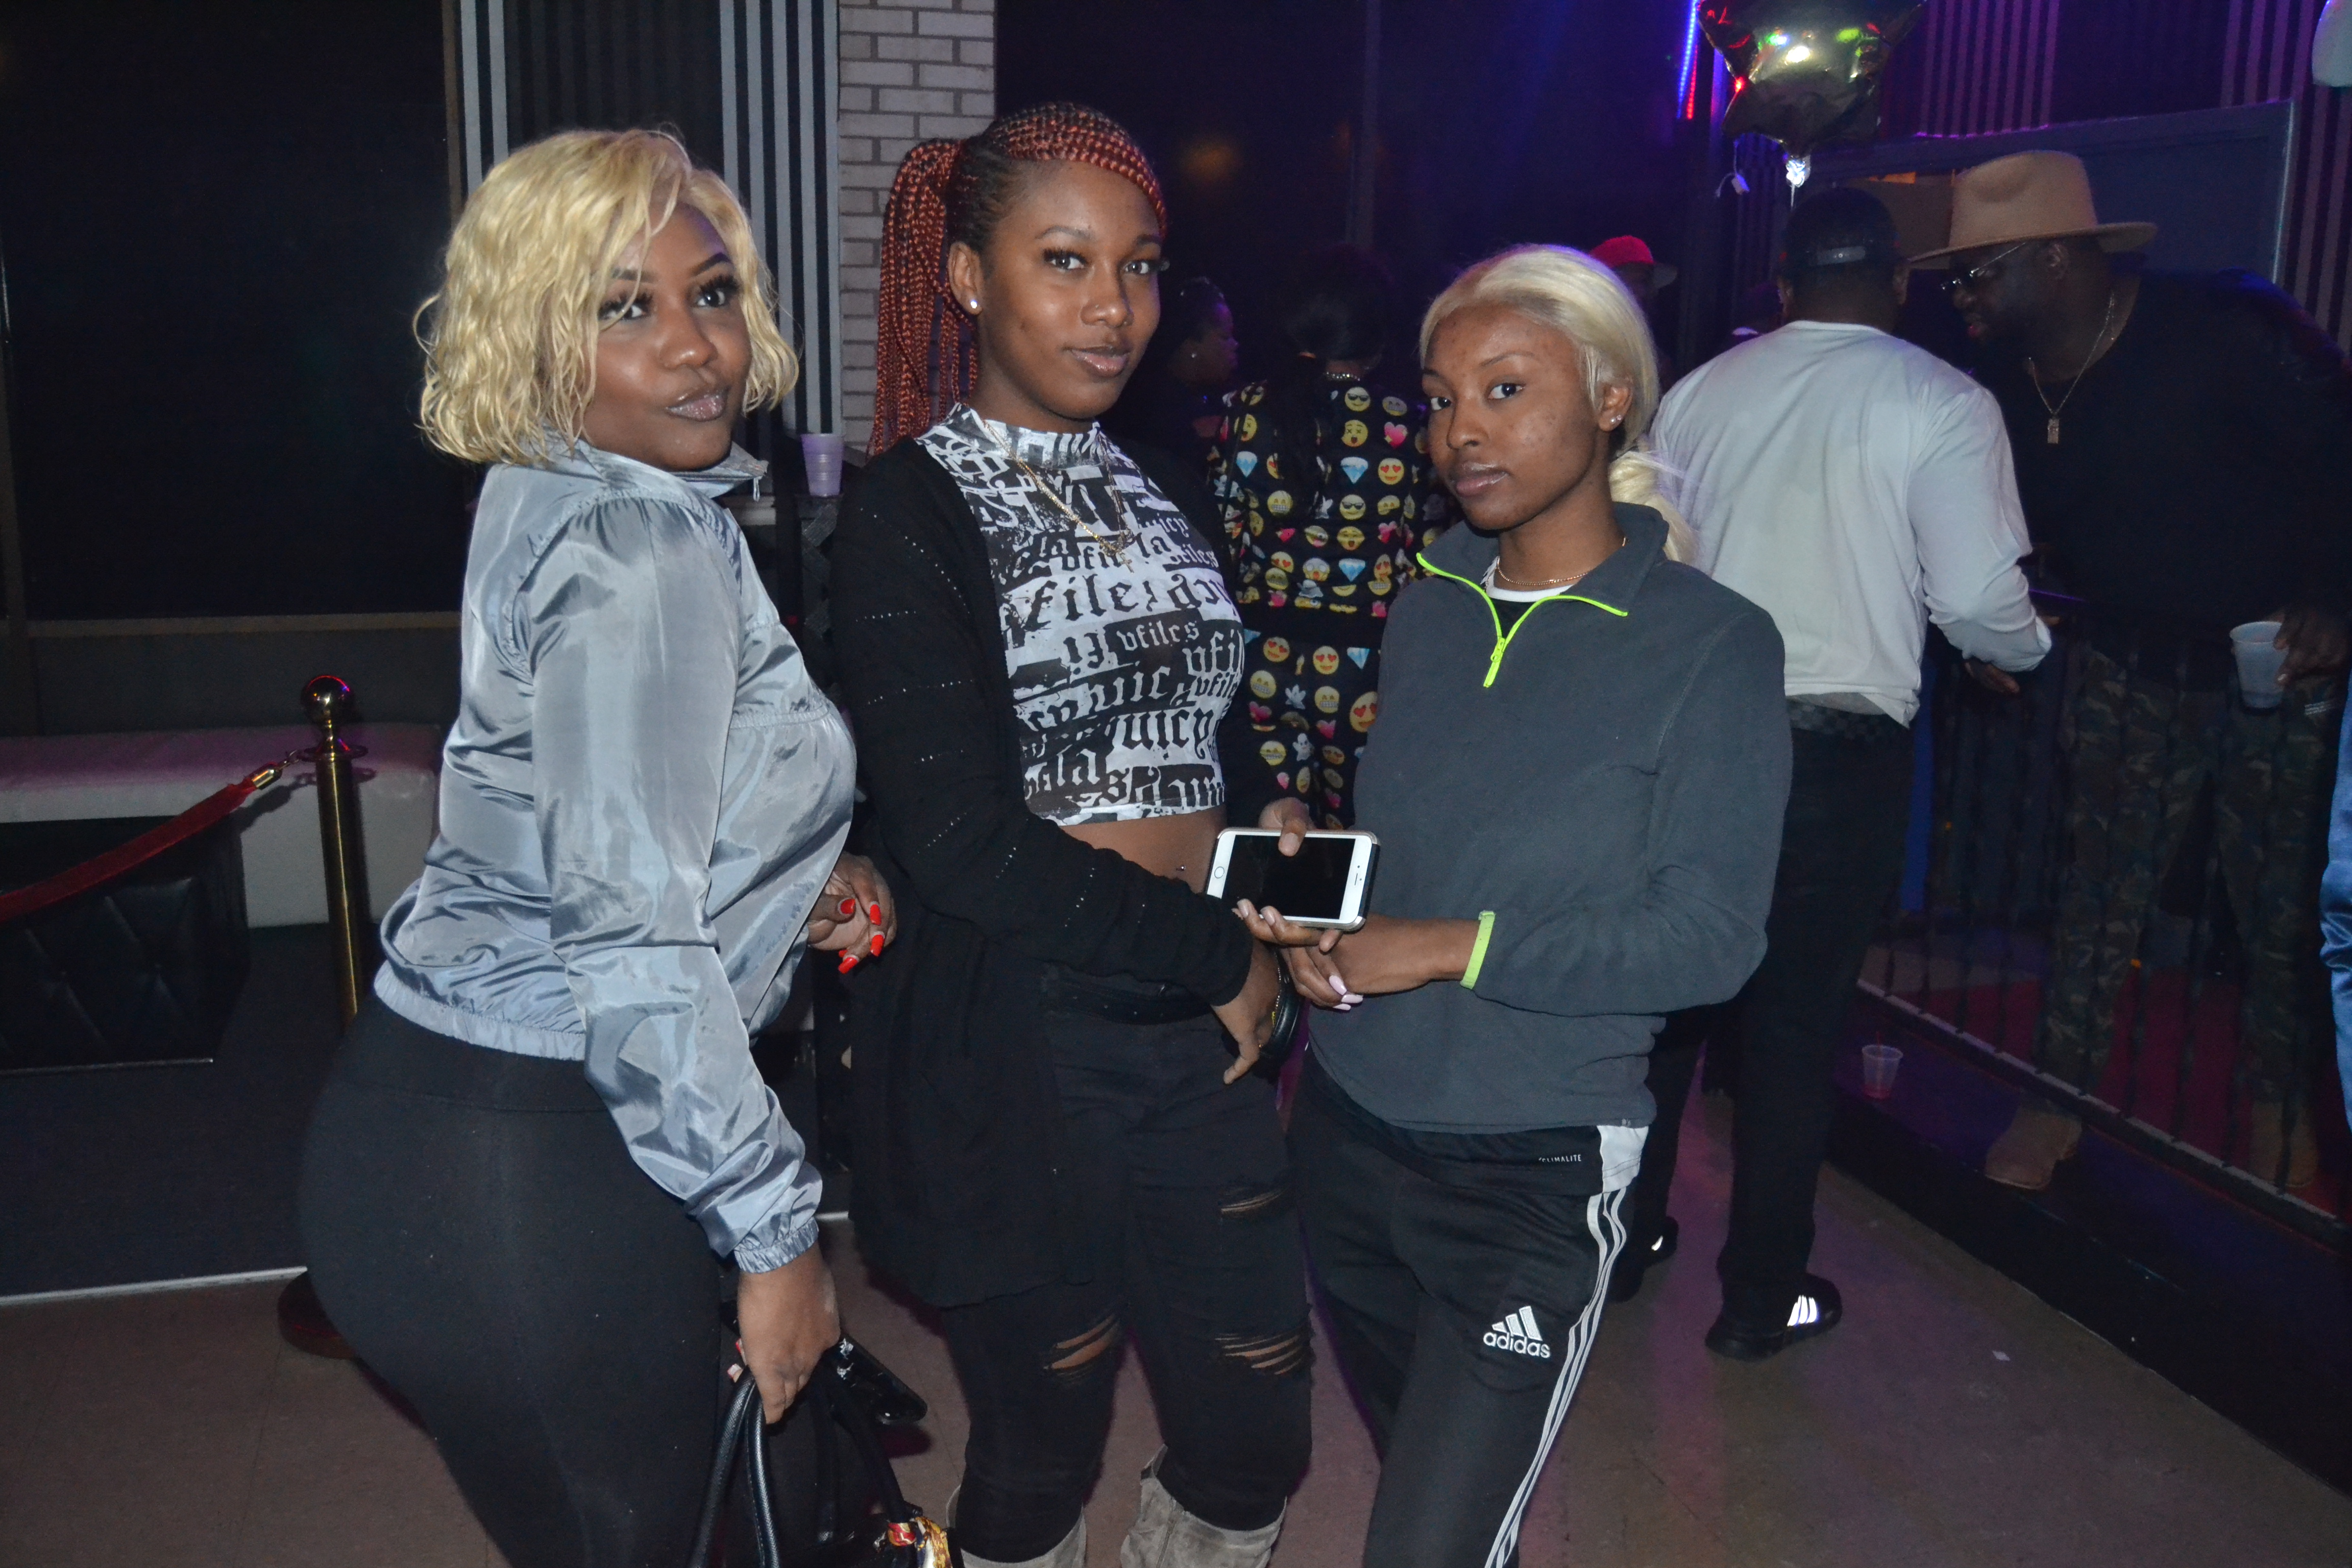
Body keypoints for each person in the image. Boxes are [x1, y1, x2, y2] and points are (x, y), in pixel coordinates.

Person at [297, 130, 887, 1568]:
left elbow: (577, 808)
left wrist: (786, 878)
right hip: (541, 1157)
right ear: (535, 338)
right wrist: (777, 1233)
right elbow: (630, 939)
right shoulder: (638, 541)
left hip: (443, 1126)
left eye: (712, 293)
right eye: (626, 308)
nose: (695, 347)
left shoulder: (550, 481)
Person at [1243, 245, 1790, 1567]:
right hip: (1349, 1135)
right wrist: (1321, 887)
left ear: (1611, 398)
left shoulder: (1710, 643)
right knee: (1443, 1511)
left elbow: (1710, 941)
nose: (1461, 434)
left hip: (1532, 1171)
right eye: (1442, 400)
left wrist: (1443, 949)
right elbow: (1423, 849)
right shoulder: (1430, 603)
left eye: (1504, 391)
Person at [828, 103, 1308, 1568]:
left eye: (1141, 265)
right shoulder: (908, 510)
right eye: (1066, 261)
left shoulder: (1167, 480)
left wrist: (1268, 822)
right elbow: (961, 840)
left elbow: (1212, 726)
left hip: (1197, 1025)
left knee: (1256, 1430)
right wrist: (1216, 951)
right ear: (970, 278)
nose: (1115, 307)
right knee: (1044, 1444)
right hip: (1024, 1031)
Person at [1629, 188, 2050, 1346]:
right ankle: (1758, 1300)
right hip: (1833, 756)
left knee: (1663, 1014)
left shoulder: (1699, 393)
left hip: (1692, 738)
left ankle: (1622, 1244)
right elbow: (1977, 599)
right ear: (1900, 282)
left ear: (1782, 282)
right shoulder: (1940, 400)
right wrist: (2022, 650)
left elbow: (1649, 566)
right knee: (1794, 1030)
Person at [1929, 151, 2352, 1191]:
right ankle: (2056, 1101)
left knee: (2283, 911)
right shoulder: (2006, 381)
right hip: (2129, 662)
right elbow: (2017, 523)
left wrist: (2336, 596)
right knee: (2095, 899)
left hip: (2278, 668)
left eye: (1979, 273)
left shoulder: (2226, 327)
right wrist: (2005, 616)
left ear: (2056, 259)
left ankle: (2282, 1109)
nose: (1962, 296)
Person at [1210, 245, 1444, 826]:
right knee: (1357, 830)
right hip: (1362, 666)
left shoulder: (1245, 412)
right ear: (1378, 336)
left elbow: (1221, 536)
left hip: (1260, 658)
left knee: (1272, 828)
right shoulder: (1408, 423)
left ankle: (1271, 894)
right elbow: (1424, 554)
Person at [1103, 273, 1239, 462]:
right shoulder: (1150, 412)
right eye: (1225, 336)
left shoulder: (1220, 397)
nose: (1235, 345)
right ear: (1191, 346)